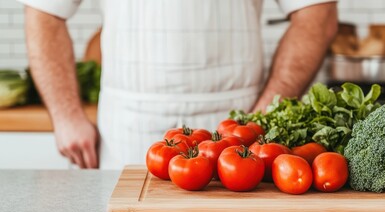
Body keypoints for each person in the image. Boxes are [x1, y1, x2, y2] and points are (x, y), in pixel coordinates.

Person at [19, 0, 338, 169]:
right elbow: (43, 11)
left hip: (238, 130)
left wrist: (264, 117)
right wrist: (65, 116)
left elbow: (317, 13)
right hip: (125, 130)